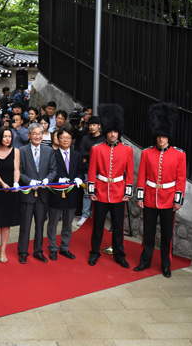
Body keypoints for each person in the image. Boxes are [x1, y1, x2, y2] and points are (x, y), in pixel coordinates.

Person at [134, 103, 186, 278]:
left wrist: (178, 201)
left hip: (169, 199)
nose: (161, 139)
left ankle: (166, 265)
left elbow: (181, 179)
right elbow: (141, 176)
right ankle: (145, 261)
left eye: (164, 136)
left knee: (166, 236)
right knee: (147, 234)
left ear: (168, 136)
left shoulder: (179, 155)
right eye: (159, 136)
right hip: (149, 198)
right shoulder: (147, 153)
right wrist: (140, 197)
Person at [87, 104, 133, 268]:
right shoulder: (97, 149)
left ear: (118, 132)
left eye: (115, 131)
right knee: (98, 226)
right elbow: (92, 171)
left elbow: (129, 173)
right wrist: (91, 190)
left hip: (119, 193)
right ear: (106, 131)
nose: (113, 134)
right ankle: (94, 253)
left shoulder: (127, 150)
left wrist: (128, 192)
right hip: (100, 192)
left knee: (118, 227)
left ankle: (119, 254)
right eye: (110, 131)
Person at [17, 122, 57, 264]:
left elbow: (53, 170)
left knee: (40, 224)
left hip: (43, 195)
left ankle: (38, 251)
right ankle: (22, 251)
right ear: (29, 135)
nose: (37, 136)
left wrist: (47, 179)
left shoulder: (49, 150)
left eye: (40, 133)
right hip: (27, 194)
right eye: (34, 133)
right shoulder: (21, 151)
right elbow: (19, 171)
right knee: (25, 224)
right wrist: (29, 182)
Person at [46, 128, 83, 260]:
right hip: (56, 193)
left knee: (68, 223)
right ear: (58, 139)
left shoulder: (77, 155)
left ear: (71, 139)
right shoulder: (52, 154)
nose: (65, 140)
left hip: (72, 194)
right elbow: (49, 172)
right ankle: (52, 248)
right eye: (62, 138)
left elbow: (80, 171)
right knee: (53, 222)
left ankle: (65, 247)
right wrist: (57, 180)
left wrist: (79, 178)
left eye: (68, 138)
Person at [0, 127, 20, 263]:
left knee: (6, 222)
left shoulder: (16, 151)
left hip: (11, 190)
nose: (7, 139)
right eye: (5, 136)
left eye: (9, 136)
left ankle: (3, 250)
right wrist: (2, 184)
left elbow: (16, 169)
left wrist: (15, 183)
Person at [77, 116, 105, 226]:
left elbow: (104, 154)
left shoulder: (104, 139)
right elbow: (81, 153)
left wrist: (89, 154)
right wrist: (94, 152)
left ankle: (95, 216)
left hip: (102, 171)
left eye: (94, 125)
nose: (92, 127)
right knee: (87, 193)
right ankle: (85, 215)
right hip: (87, 170)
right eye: (90, 125)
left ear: (99, 126)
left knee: (99, 194)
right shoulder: (85, 138)